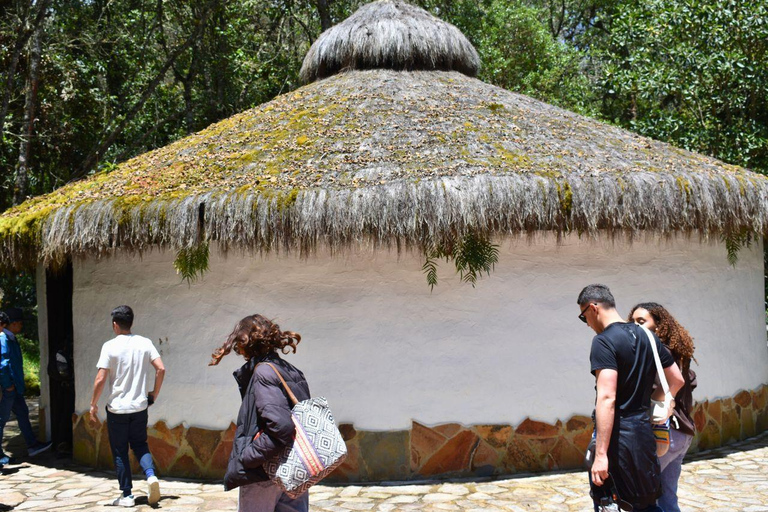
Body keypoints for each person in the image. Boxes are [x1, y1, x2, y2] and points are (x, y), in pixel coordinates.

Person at [577, 285, 685, 512]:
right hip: (644, 434)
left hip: (618, 439)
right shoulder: (647, 335)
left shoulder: (603, 341)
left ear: (593, 308)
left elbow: (607, 397)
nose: (586, 323)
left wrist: (601, 456)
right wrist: (654, 401)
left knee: (612, 504)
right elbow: (677, 380)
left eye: (583, 316)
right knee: (645, 504)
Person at [210, 314, 309, 512]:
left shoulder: (263, 372)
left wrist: (248, 457)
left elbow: (282, 426)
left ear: (245, 343)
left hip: (265, 474)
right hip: (296, 469)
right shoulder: (291, 370)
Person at [89, 306, 165, 507]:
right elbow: (161, 368)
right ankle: (150, 477)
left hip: (117, 410)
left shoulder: (109, 346)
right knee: (140, 444)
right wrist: (154, 394)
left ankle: (127, 495)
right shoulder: (145, 343)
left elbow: (100, 378)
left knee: (120, 450)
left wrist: (93, 405)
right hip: (140, 407)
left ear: (115, 324)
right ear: (131, 322)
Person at [630, 302, 697, 512]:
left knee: (640, 496)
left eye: (641, 321)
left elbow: (672, 385)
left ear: (659, 326)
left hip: (663, 432)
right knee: (667, 498)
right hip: (682, 433)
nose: (635, 326)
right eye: (632, 322)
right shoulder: (677, 353)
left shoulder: (656, 353)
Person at [0, 307, 52, 465]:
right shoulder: (4, 339)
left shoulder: (11, 338)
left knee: (23, 414)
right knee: (2, 420)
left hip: (15, 389)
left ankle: (32, 445)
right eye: (20, 323)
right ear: (13, 324)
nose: (21, 327)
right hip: (10, 389)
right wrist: (8, 386)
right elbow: (2, 365)